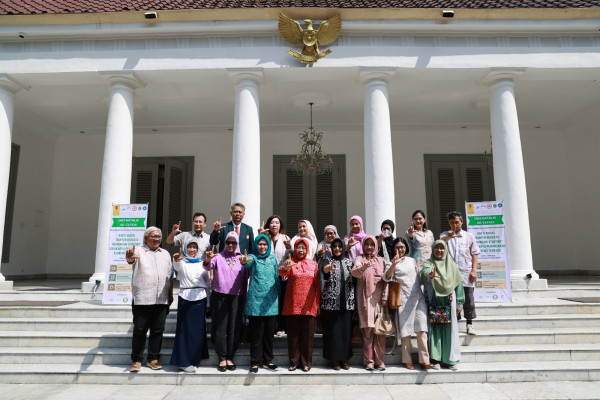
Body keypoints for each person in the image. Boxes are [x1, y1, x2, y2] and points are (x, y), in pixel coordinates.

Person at [125, 227, 173, 372]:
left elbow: (170, 276)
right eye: (153, 236)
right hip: (142, 298)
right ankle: (136, 359)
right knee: (140, 330)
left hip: (161, 298)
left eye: (159, 236)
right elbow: (130, 260)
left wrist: (170, 295)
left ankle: (153, 358)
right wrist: (129, 257)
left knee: (158, 330)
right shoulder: (138, 251)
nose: (157, 239)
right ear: (146, 238)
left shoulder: (165, 253)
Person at [383, 238, 432, 370]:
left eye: (402, 247)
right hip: (403, 300)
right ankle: (407, 360)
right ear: (393, 249)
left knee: (422, 328)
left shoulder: (411, 260)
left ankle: (424, 360)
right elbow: (386, 277)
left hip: (418, 298)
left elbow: (418, 277)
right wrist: (394, 264)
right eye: (397, 247)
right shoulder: (391, 262)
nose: (400, 249)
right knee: (406, 332)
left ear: (406, 248)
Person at [203, 231, 248, 372]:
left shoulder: (242, 258)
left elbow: (248, 276)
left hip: (237, 296)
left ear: (237, 244)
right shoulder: (218, 256)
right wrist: (207, 259)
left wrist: (247, 265)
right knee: (220, 326)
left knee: (234, 326)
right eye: (228, 242)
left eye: (233, 242)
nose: (230, 245)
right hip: (220, 295)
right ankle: (222, 357)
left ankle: (230, 356)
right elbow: (207, 267)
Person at [422, 240, 465, 371]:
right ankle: (436, 359)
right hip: (435, 301)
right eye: (437, 248)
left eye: (442, 248)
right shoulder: (429, 262)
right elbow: (425, 271)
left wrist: (459, 304)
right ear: (433, 249)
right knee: (435, 330)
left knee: (449, 332)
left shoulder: (452, 265)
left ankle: (450, 360)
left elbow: (458, 284)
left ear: (445, 250)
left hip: (449, 301)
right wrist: (429, 274)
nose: (439, 250)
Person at [240, 234, 280, 373]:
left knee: (269, 334)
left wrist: (278, 296)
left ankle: (268, 360)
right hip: (256, 301)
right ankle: (255, 361)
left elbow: (276, 276)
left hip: (271, 302)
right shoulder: (253, 257)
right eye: (260, 244)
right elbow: (246, 263)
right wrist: (244, 261)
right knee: (257, 334)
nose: (262, 247)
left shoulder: (273, 258)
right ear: (256, 245)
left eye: (265, 244)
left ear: (268, 246)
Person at [280, 238, 320, 372]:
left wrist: (318, 303)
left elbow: (317, 285)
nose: (301, 250)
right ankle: (293, 362)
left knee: (308, 336)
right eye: (298, 247)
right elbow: (282, 272)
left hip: (309, 305)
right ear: (295, 249)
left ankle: (306, 362)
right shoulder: (291, 263)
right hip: (292, 304)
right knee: (293, 336)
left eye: (303, 248)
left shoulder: (313, 264)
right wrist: (285, 268)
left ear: (307, 249)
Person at [170, 240, 211, 372]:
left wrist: (208, 302)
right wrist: (176, 259)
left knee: (198, 331)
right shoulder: (181, 262)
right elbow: (177, 267)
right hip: (185, 298)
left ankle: (195, 358)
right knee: (184, 331)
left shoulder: (202, 263)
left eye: (194, 247)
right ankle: (183, 361)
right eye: (189, 247)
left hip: (200, 297)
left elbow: (207, 284)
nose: (192, 250)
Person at [351, 235, 388, 371]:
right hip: (365, 299)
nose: (369, 247)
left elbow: (386, 279)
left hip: (379, 300)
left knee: (380, 332)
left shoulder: (381, 260)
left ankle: (380, 360)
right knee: (368, 331)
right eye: (367, 244)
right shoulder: (360, 259)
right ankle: (369, 361)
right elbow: (354, 272)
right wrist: (363, 268)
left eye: (372, 244)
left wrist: (385, 296)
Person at [441, 210, 481, 336]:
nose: (454, 225)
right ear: (449, 223)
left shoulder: (469, 236)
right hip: (450, 274)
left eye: (457, 222)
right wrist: (449, 236)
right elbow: (440, 245)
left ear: (462, 222)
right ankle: (454, 324)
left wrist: (474, 271)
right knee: (451, 299)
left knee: (468, 299)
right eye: (452, 223)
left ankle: (469, 324)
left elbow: (474, 254)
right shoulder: (444, 235)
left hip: (466, 273)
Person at [318, 237, 354, 370]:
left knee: (345, 332)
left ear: (343, 248)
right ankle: (334, 359)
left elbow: (354, 281)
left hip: (347, 303)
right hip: (331, 304)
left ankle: (344, 358)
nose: (337, 249)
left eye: (340, 246)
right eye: (335, 247)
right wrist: (326, 271)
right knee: (333, 332)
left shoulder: (350, 263)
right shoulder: (326, 261)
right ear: (331, 249)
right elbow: (323, 276)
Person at [260, 215, 291, 336]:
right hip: (267, 275)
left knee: (282, 300)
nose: (274, 225)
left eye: (277, 222)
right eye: (272, 222)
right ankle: (270, 326)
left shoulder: (285, 238)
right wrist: (260, 235)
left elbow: (290, 256)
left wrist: (289, 246)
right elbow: (259, 252)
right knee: (269, 301)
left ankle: (281, 327)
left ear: (280, 225)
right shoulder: (265, 238)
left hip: (282, 275)